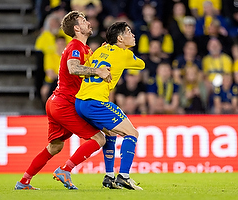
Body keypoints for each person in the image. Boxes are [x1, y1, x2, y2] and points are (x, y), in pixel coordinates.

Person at [15, 11, 111, 190]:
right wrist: (98, 71)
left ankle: (23, 182)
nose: (89, 23)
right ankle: (65, 170)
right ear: (76, 28)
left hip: (56, 102)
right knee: (99, 138)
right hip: (64, 103)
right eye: (84, 21)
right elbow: (73, 68)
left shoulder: (85, 49)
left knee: (55, 147)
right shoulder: (75, 46)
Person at [75, 22, 145, 190]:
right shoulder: (124, 54)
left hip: (80, 102)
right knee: (132, 133)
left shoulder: (100, 50)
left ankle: (109, 177)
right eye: (129, 32)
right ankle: (124, 176)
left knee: (111, 133)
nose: (133, 35)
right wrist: (125, 52)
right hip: (96, 102)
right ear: (120, 38)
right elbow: (141, 64)